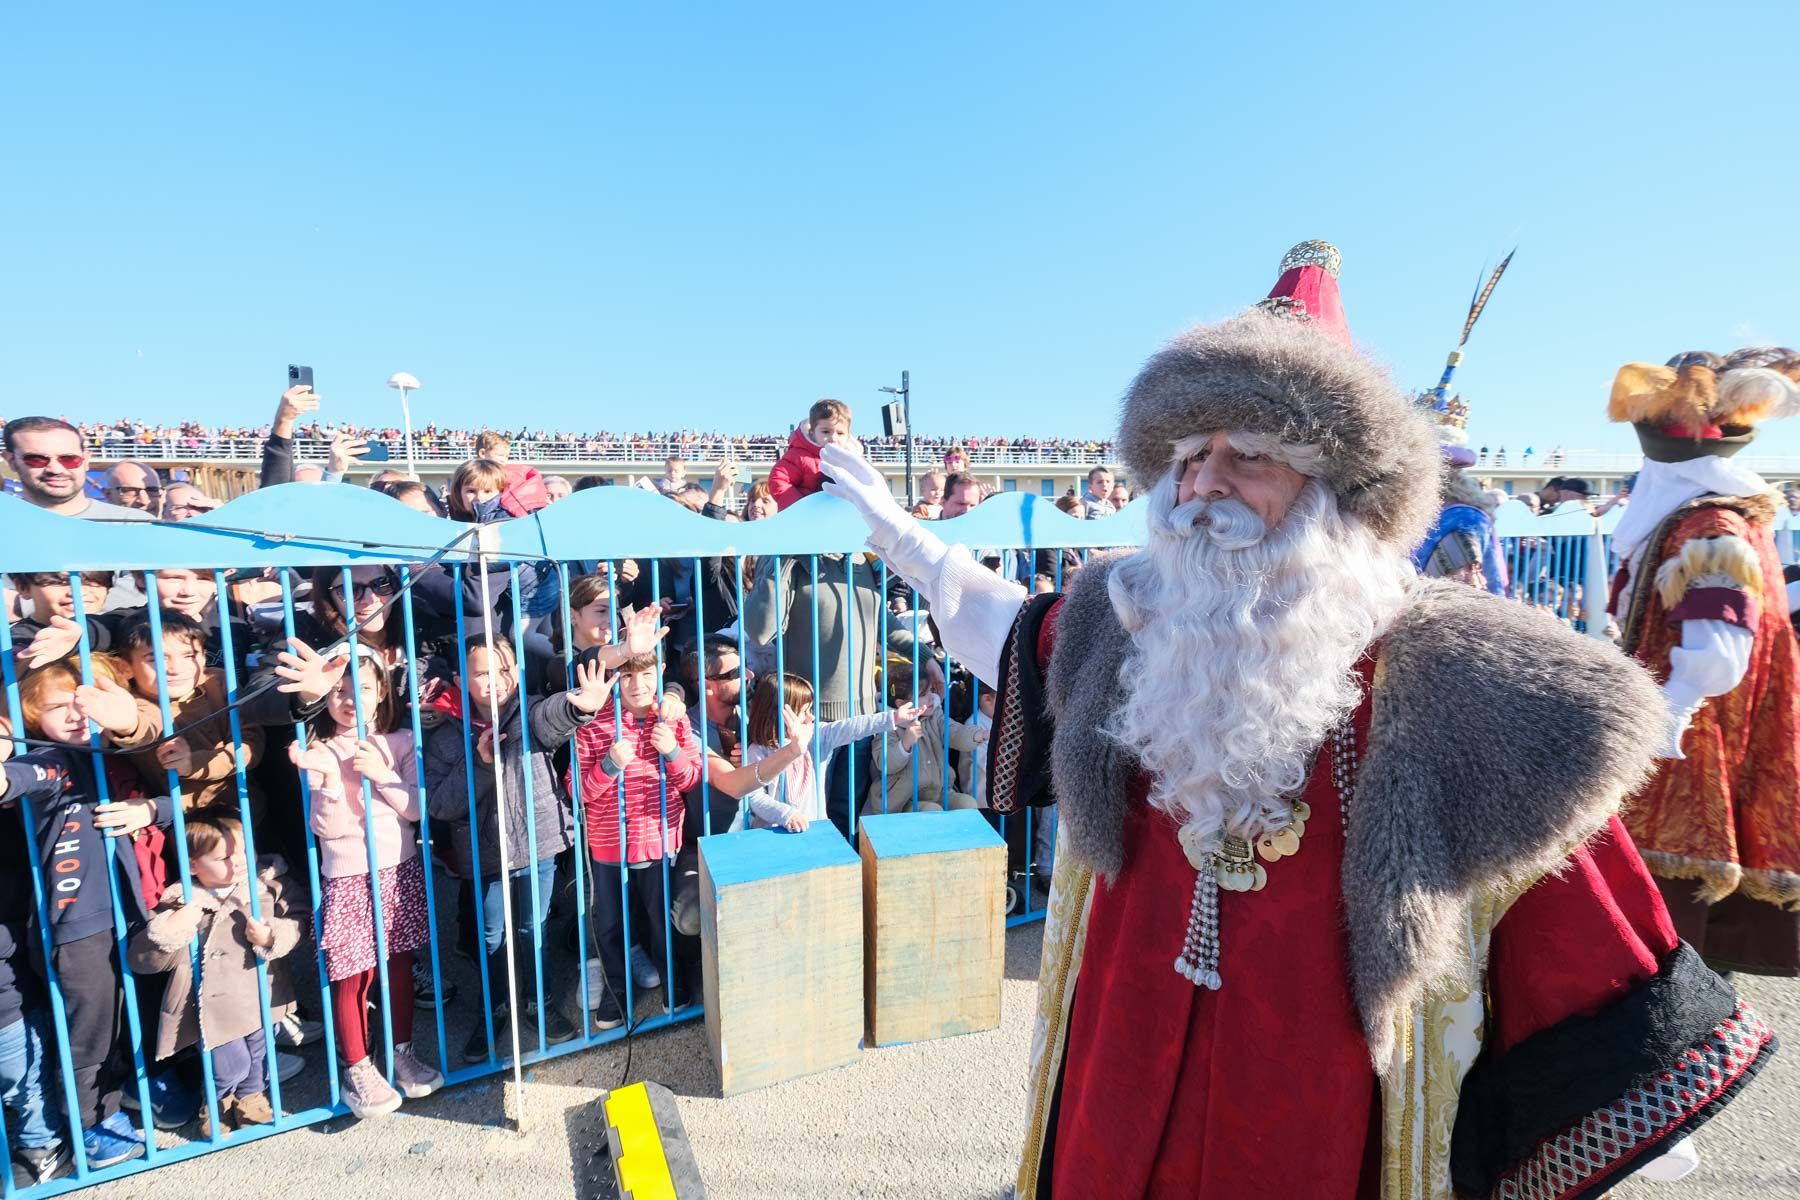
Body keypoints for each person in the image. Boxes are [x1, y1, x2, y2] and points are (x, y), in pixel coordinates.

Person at [820, 240, 1771, 1198]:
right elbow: (998, 627)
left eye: (1251, 457)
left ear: (1337, 495)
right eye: (1190, 459)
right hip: (1123, 1055)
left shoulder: (1458, 668)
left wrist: (1619, 1097)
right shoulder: (1126, 617)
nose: (1203, 488)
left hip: (1315, 1095)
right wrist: (897, 533)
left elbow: (1579, 902)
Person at [1606, 346, 1800, 978]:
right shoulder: (1704, 516)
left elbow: (1722, 648)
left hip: (1692, 738)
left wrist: (1669, 714)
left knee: (1663, 914)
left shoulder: (1711, 523)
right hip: (1686, 727)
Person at [1, 657, 170, 1169]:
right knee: (87, 1031)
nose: (76, 714)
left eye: (84, 701)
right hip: (77, 924)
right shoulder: (54, 759)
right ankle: (90, 1121)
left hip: (130, 908)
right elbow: (24, 778)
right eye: (56, 706)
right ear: (30, 714)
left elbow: (169, 798)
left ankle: (130, 1094)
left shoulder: (111, 753)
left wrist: (154, 810)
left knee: (125, 1015)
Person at [424, 639, 609, 1062]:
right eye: (482, 672)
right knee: (490, 936)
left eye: (503, 669)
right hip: (485, 856)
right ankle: (493, 1008)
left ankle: (537, 1001)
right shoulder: (445, 736)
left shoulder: (528, 711)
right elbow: (440, 803)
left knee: (534, 927)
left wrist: (582, 707)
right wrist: (481, 764)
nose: (494, 681)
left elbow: (555, 717)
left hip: (537, 843)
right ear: (460, 680)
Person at [288, 654, 441, 1119]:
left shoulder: (401, 740)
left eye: (365, 690)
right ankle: (356, 1065)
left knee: (397, 964)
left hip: (399, 865)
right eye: (338, 691)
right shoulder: (320, 749)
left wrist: (382, 775)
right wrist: (333, 779)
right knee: (353, 974)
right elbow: (326, 828)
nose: (351, 700)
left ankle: (399, 1051)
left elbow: (416, 809)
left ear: (382, 695)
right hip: (348, 873)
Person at [127, 811, 305, 1139]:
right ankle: (217, 1100)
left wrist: (273, 936)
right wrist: (170, 930)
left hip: (262, 992)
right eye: (224, 857)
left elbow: (300, 919)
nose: (237, 862)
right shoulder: (183, 902)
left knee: (259, 1053)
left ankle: (251, 1099)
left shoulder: (267, 885)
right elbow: (142, 960)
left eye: (242, 850)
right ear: (194, 865)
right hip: (212, 1009)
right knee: (230, 1064)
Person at [568, 654, 704, 1025]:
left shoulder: (673, 720)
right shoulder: (593, 724)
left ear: (660, 672)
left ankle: (672, 985)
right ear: (614, 677)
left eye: (646, 674)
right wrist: (609, 764)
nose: (638, 685)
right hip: (608, 845)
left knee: (659, 919)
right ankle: (616, 993)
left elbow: (692, 780)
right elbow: (577, 790)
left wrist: (672, 752)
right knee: (610, 923)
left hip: (659, 840)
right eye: (626, 676)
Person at [740, 672, 920, 831]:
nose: (812, 717)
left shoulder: (817, 736)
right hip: (773, 835)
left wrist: (892, 718)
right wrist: (786, 814)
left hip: (814, 829)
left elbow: (851, 727)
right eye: (804, 712)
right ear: (781, 715)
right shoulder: (758, 751)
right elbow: (755, 797)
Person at [2, 418, 151, 522]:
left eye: (68, 459)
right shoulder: (6, 527)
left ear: (86, 460)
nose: (55, 469)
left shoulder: (135, 524)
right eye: (37, 459)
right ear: (11, 461)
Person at [767, 399, 855, 511]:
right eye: (825, 432)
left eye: (840, 433)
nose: (833, 438)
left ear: (848, 436)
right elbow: (779, 480)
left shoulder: (853, 459)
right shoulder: (800, 455)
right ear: (812, 433)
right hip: (807, 517)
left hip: (841, 517)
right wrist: (800, 507)